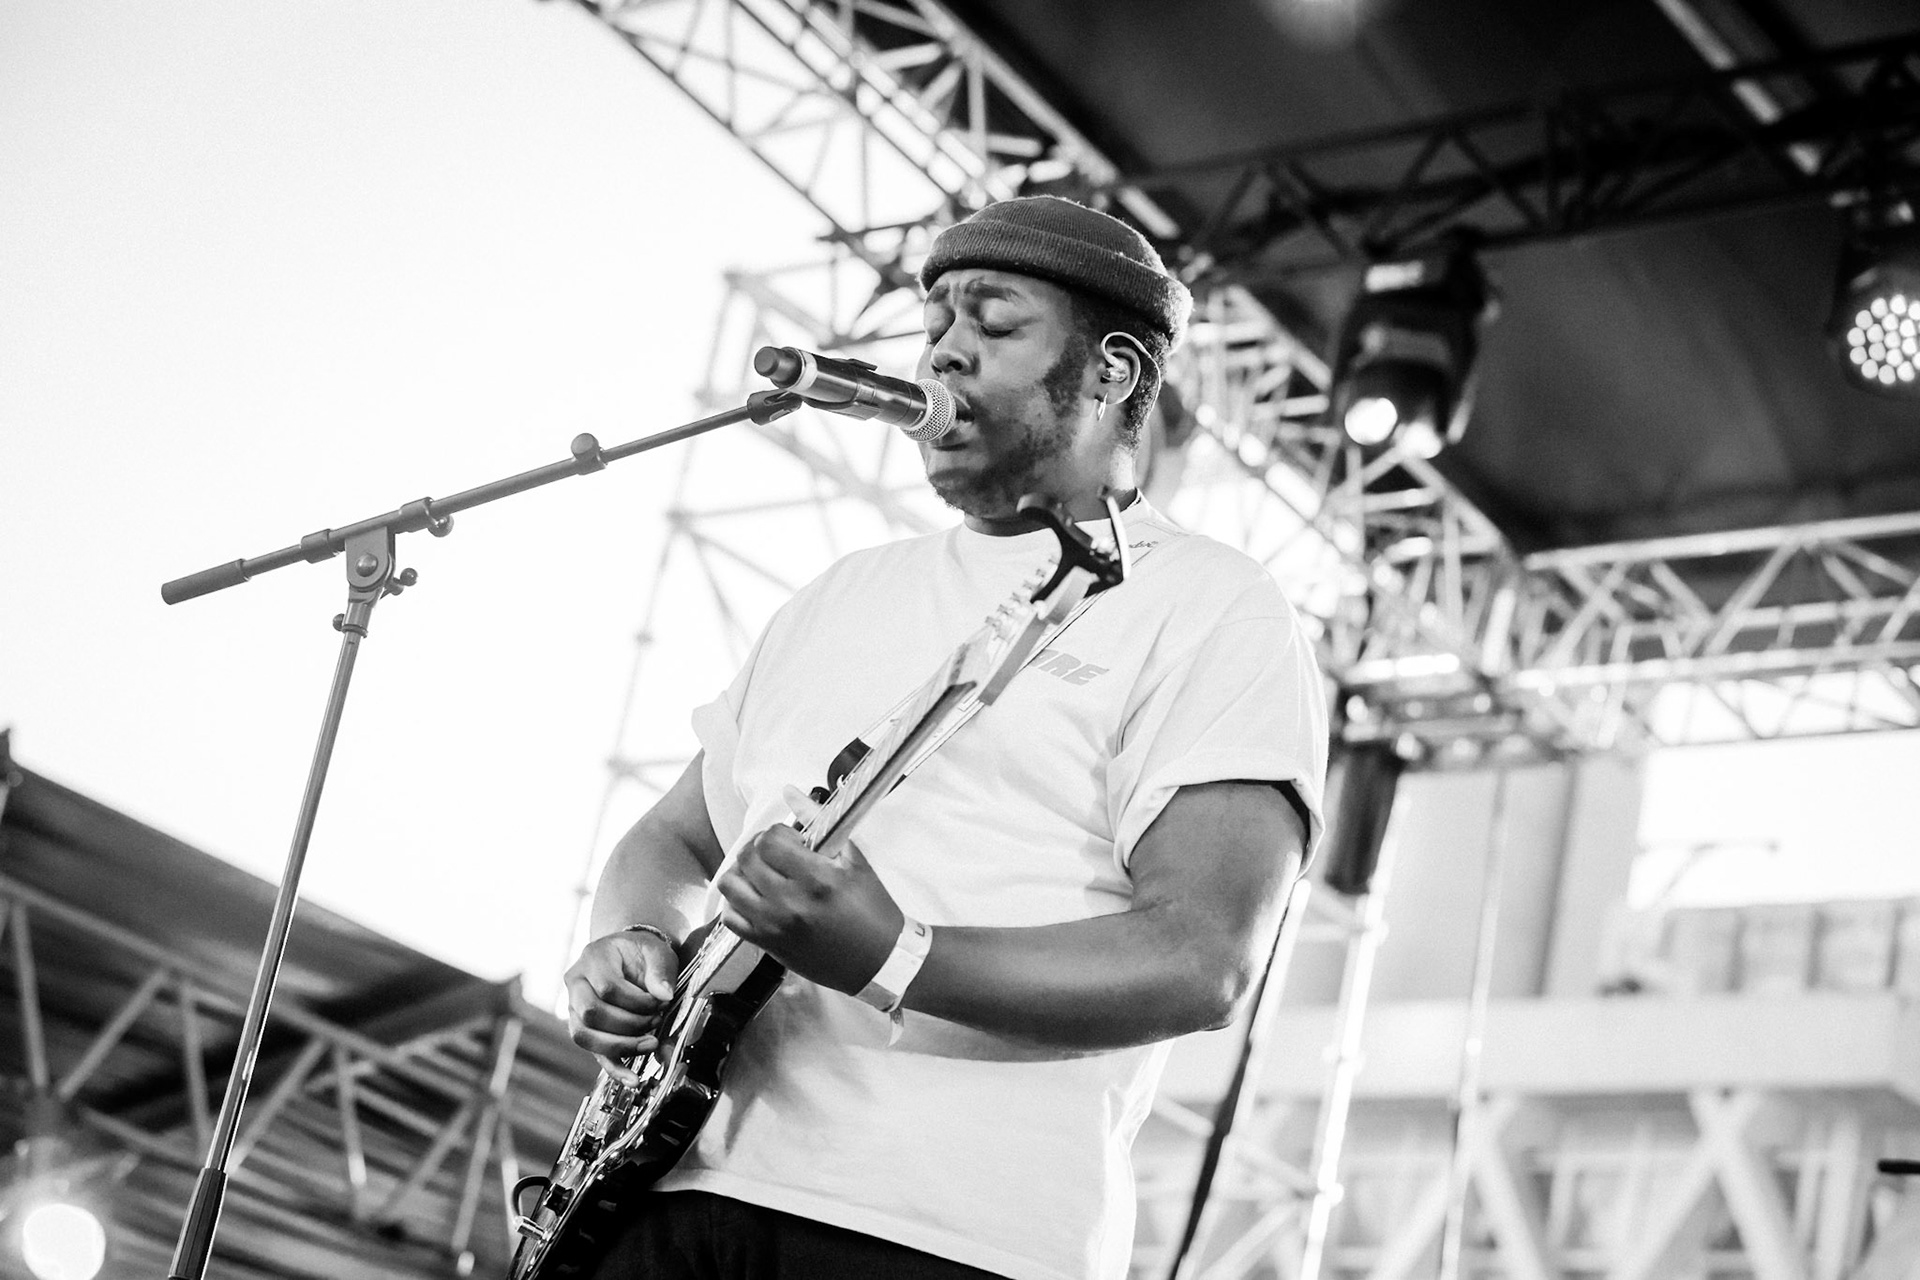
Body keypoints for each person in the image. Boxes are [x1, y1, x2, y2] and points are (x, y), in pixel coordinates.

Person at [565, 195, 1329, 1280]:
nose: (946, 350)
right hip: (667, 1190)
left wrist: (894, 953)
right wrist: (627, 942)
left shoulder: (1212, 603)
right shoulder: (845, 593)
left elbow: (1202, 956)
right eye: (935, 326)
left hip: (949, 1234)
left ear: (1112, 372)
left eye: (996, 322)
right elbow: (678, 839)